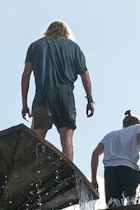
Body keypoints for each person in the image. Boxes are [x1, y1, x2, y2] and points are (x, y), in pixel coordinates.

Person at [21, 19, 94, 159]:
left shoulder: (35, 46)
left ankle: (32, 172)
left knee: (35, 139)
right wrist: (90, 99)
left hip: (42, 97)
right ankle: (67, 174)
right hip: (65, 97)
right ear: (66, 32)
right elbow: (85, 75)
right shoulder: (74, 47)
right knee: (66, 139)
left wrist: (24, 103)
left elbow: (25, 76)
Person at [90, 110, 140, 205]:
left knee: (113, 206)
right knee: (135, 202)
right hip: (129, 169)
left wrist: (94, 179)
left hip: (110, 172)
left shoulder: (109, 135)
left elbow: (95, 154)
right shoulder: (138, 127)